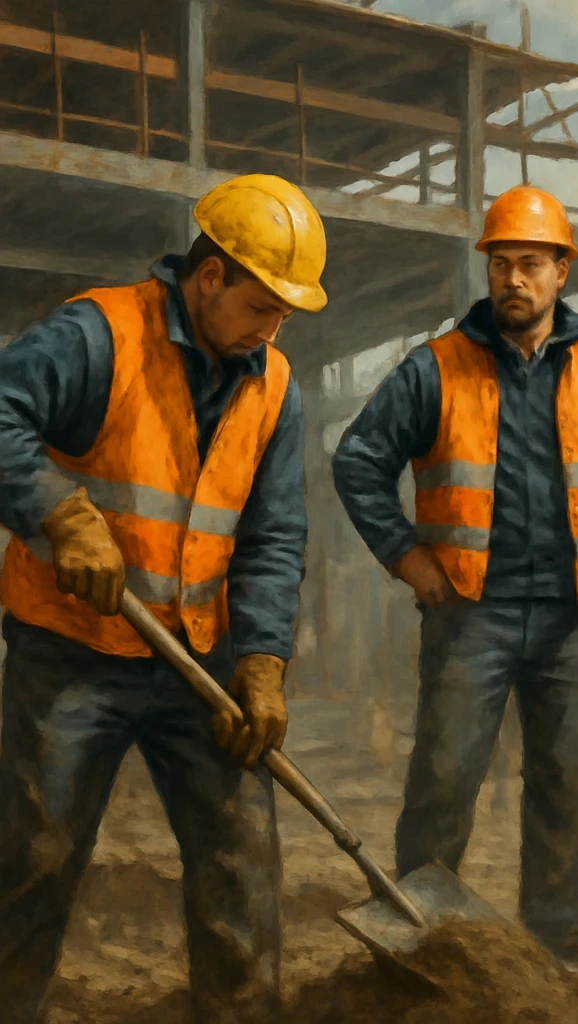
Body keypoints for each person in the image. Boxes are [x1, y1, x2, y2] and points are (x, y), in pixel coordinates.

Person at [0, 173, 326, 1024]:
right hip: (71, 651)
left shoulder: (275, 385)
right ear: (208, 276)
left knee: (242, 867)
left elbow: (273, 536)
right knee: (35, 860)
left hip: (198, 663)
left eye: (287, 314)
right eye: (263, 305)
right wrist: (59, 515)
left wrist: (260, 664)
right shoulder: (99, 333)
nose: (273, 328)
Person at [333, 185, 578, 957]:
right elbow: (358, 460)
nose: (514, 279)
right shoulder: (434, 367)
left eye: (531, 264)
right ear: (488, 271)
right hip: (469, 613)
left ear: (561, 272)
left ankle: (556, 941)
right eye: (502, 263)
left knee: (561, 788)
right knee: (444, 779)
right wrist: (407, 556)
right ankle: (420, 940)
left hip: (574, 618)